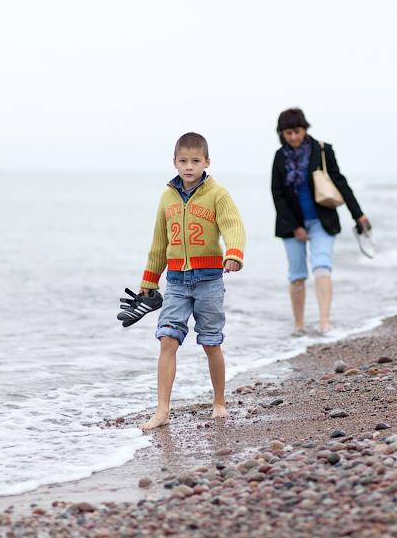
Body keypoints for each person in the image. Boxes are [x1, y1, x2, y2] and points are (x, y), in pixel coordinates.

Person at [136, 132, 245, 431]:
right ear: (174, 162)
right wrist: (149, 280)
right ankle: (162, 410)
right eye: (183, 161)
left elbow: (234, 226)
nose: (188, 166)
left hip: (209, 279)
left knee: (211, 342)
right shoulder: (167, 197)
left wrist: (234, 254)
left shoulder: (217, 194)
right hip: (176, 282)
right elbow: (159, 243)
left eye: (195, 161)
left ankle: (219, 402)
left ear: (206, 162)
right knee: (167, 339)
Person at [271, 108, 368, 335]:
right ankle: (299, 326)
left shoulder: (323, 150)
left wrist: (358, 214)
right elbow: (277, 195)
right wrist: (296, 227)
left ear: (305, 129)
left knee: (322, 267)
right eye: (288, 133)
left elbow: (339, 182)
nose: (293, 137)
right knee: (297, 275)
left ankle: (325, 322)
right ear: (281, 134)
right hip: (292, 225)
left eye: (297, 131)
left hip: (322, 221)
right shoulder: (279, 157)